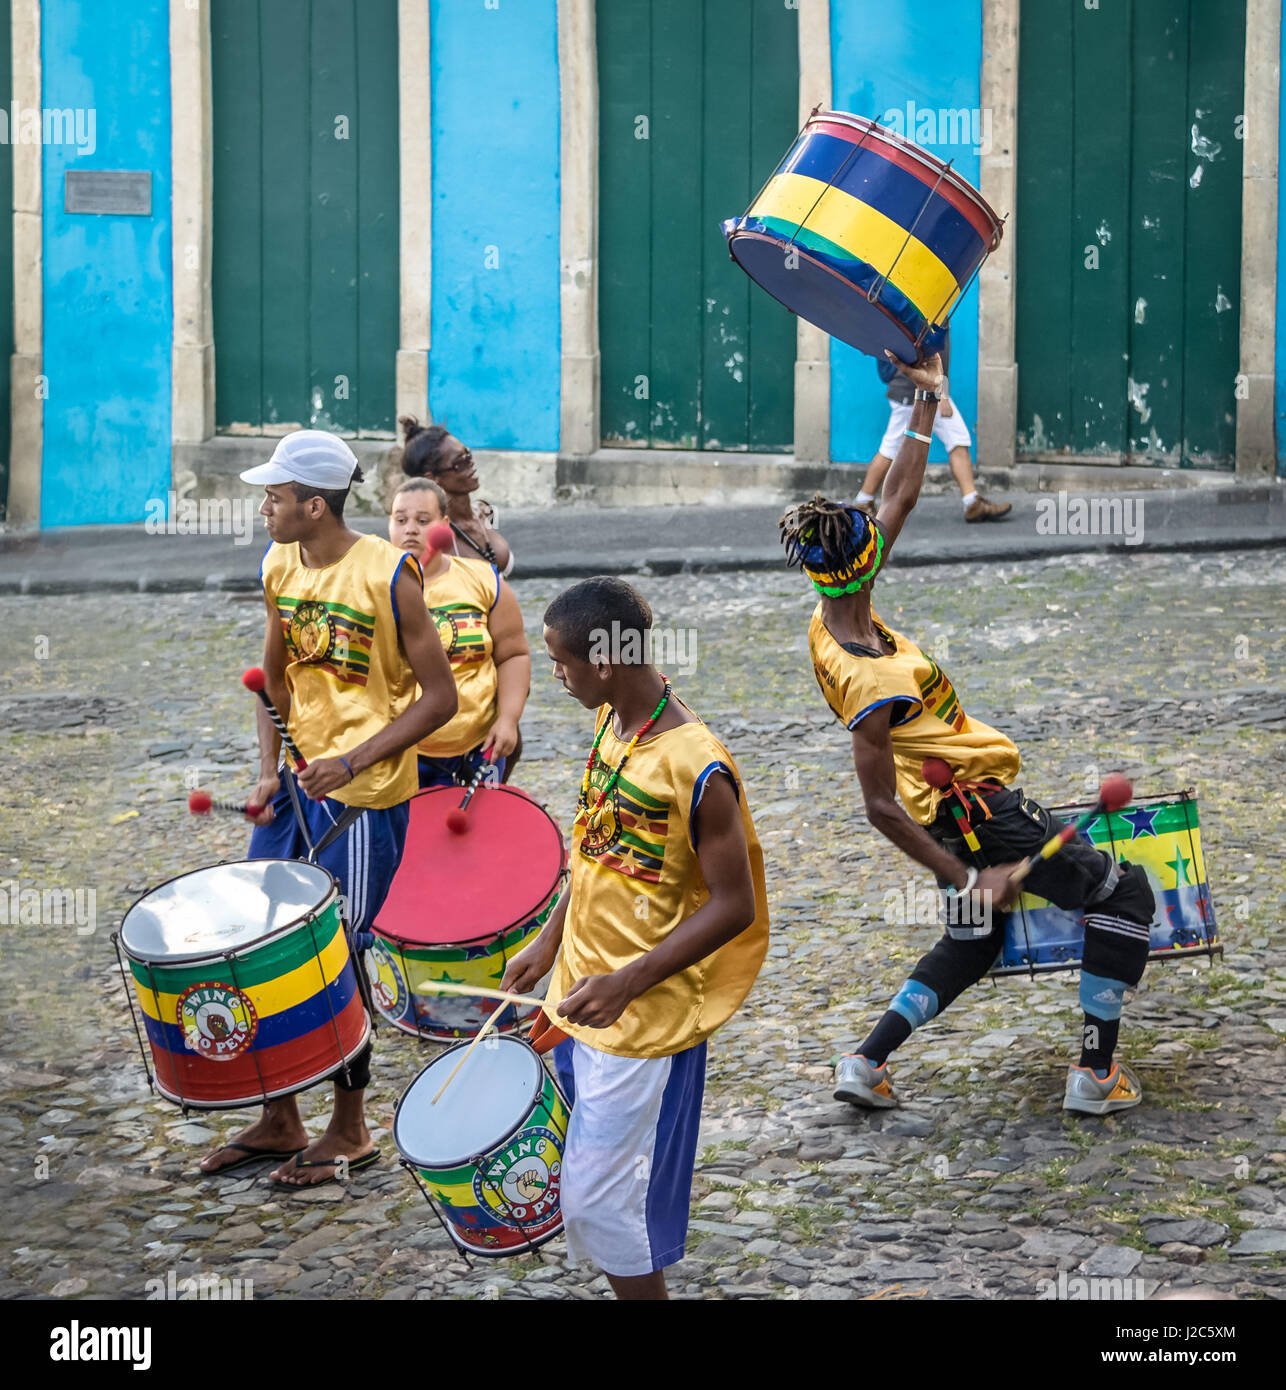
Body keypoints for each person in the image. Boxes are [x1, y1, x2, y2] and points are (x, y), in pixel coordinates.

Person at [780, 351, 1155, 1117]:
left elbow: (904, 493)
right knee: (1124, 897)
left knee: (975, 941)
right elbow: (877, 806)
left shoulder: (832, 611)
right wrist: (963, 875)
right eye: (869, 529)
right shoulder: (872, 680)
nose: (877, 518)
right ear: (861, 564)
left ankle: (866, 1060)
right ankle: (1096, 1074)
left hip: (948, 813)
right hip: (978, 812)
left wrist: (928, 401)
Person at [199, 430, 457, 1185]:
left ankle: (350, 1127)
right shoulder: (279, 564)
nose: (264, 509)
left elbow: (439, 698)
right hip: (298, 797)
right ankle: (282, 1119)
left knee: (334, 957)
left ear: (315, 506)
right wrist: (268, 772)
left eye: (275, 498)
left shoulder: (389, 575)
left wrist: (356, 758)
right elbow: (274, 680)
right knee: (260, 947)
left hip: (367, 800)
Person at [501, 578, 769, 1299]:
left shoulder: (698, 767)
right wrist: (551, 942)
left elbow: (734, 906)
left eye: (562, 662)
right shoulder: (614, 725)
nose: (555, 676)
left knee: (605, 1204)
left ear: (607, 663)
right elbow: (593, 853)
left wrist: (629, 981)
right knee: (589, 1195)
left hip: (643, 1020)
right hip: (580, 999)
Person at [387, 476, 530, 787]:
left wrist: (508, 720)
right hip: (399, 753)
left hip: (476, 749)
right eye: (401, 520)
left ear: (445, 524)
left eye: (423, 520)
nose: (410, 528)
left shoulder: (483, 580)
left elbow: (513, 654)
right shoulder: (370, 587)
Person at [854, 329, 1010, 523]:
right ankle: (863, 500)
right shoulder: (933, 311)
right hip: (915, 391)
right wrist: (942, 394)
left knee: (957, 438)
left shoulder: (934, 311)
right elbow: (931, 357)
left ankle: (972, 502)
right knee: (891, 448)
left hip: (923, 389)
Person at [397, 416, 515, 575]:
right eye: (460, 463)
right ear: (432, 478)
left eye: (468, 454)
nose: (471, 463)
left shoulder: (486, 512)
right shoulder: (435, 538)